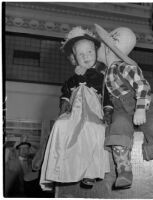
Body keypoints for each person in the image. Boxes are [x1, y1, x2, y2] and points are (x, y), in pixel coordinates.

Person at [94, 24, 153, 198]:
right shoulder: (106, 71)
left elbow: (142, 86)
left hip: (142, 106)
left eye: (101, 44)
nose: (98, 46)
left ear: (108, 49)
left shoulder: (123, 67)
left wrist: (141, 109)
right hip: (120, 108)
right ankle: (124, 171)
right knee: (119, 125)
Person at [39, 27, 111, 191]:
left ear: (95, 53)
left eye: (90, 52)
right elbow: (65, 93)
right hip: (74, 113)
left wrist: (107, 111)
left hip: (93, 112)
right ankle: (56, 171)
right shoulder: (71, 79)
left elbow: (107, 96)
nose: (86, 57)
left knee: (95, 130)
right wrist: (64, 105)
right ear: (74, 58)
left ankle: (90, 173)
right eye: (81, 54)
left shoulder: (100, 77)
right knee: (60, 127)